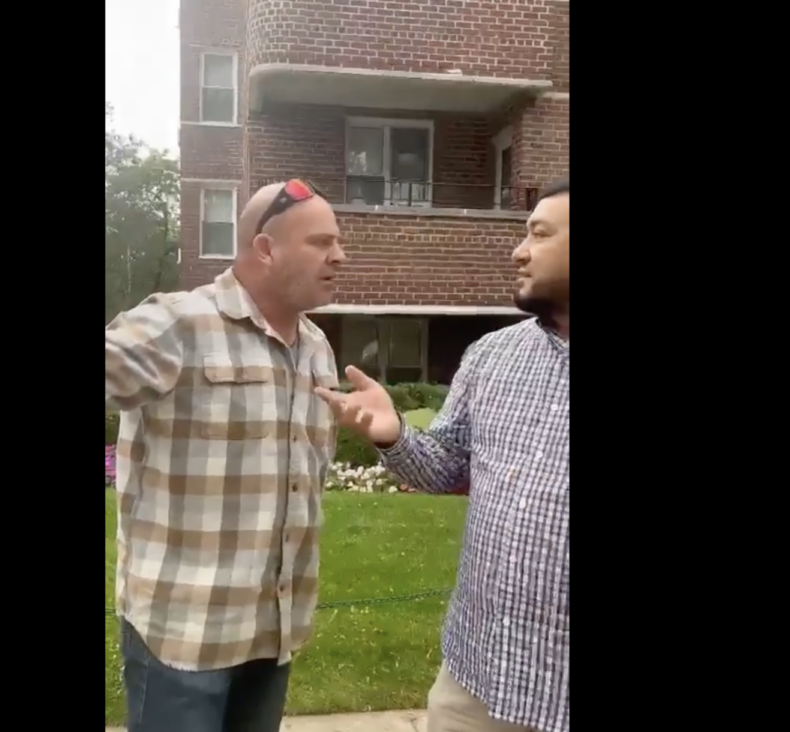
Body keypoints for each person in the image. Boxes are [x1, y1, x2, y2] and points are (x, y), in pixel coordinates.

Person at [316, 178, 570, 732]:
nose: (518, 249)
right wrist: (392, 434)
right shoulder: (492, 356)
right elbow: (447, 467)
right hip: (476, 683)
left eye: (540, 235)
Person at [105, 179, 346, 732]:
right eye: (321, 241)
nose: (339, 255)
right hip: (183, 638)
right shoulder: (179, 323)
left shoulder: (315, 346)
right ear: (265, 248)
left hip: (274, 630)